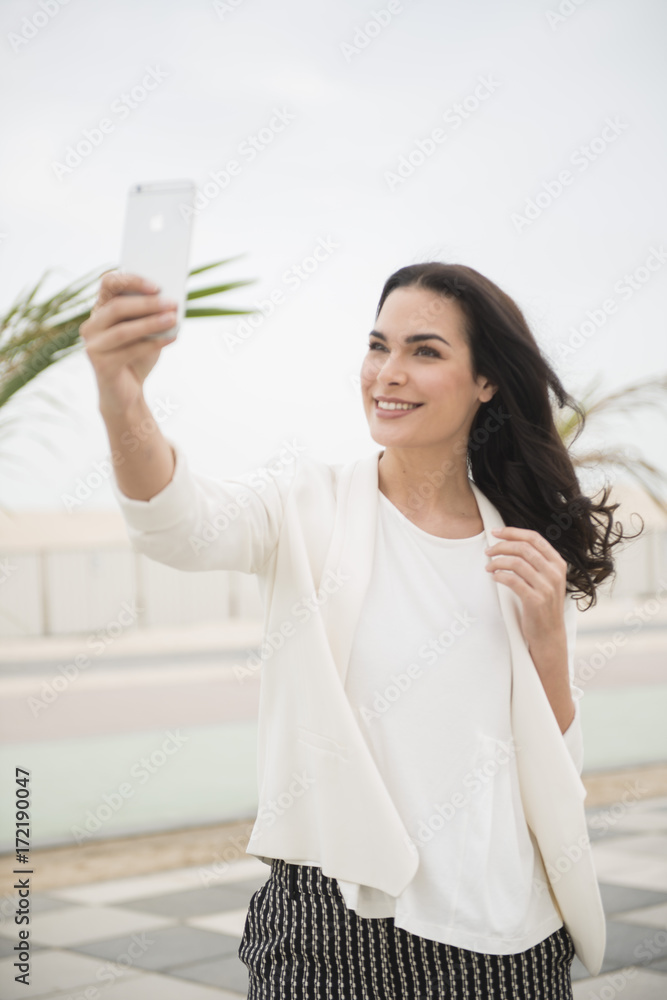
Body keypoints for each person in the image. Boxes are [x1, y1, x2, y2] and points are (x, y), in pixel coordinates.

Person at [81, 261, 639, 999]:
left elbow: (552, 761)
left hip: (511, 936)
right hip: (334, 927)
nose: (387, 373)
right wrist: (122, 395)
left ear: (486, 382)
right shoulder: (305, 507)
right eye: (378, 346)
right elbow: (178, 527)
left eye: (424, 351)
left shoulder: (520, 545)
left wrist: (547, 637)